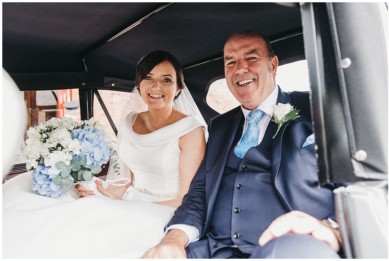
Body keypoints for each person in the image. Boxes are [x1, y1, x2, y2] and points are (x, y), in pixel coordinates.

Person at [142, 30, 342, 259]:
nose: (240, 69)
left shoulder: (319, 110)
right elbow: (199, 193)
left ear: (273, 65)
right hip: (213, 249)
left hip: (290, 248)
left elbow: (360, 184)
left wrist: (333, 228)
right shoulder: (220, 126)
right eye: (231, 62)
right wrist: (174, 240)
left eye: (251, 58)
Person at [2, 50, 207, 257]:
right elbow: (131, 177)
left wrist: (125, 204)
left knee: (91, 223)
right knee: (34, 194)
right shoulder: (130, 121)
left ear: (178, 88)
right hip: (131, 198)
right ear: (139, 85)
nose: (156, 87)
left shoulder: (190, 130)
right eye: (148, 78)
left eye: (166, 80)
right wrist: (107, 189)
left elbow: (187, 198)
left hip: (168, 210)